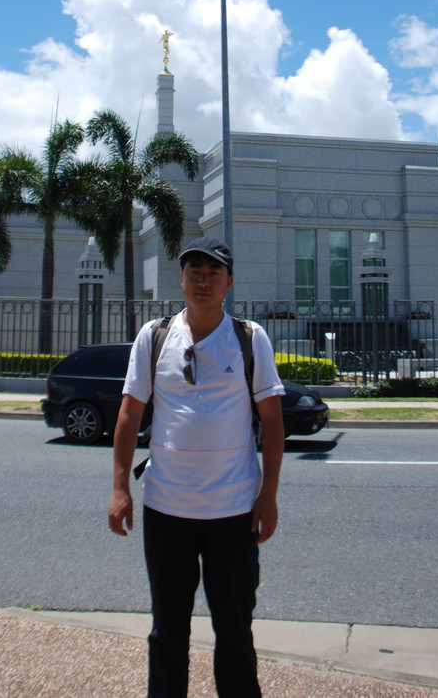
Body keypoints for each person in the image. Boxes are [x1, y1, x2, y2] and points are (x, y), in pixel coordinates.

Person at [108, 236, 285, 698]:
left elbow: (271, 419)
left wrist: (268, 495)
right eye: (194, 272)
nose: (203, 280)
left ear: (229, 282)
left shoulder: (249, 338)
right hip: (167, 510)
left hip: (233, 510)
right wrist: (120, 488)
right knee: (167, 628)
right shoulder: (154, 337)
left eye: (213, 273)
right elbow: (130, 413)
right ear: (182, 280)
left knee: (234, 628)